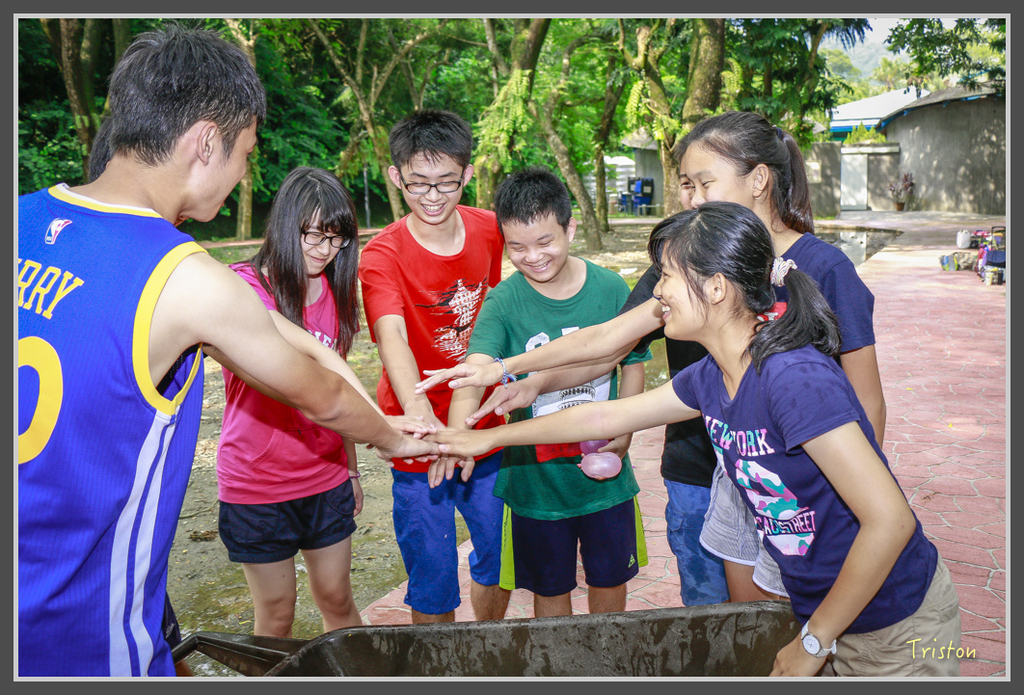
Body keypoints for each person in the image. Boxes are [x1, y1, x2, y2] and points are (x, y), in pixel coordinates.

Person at [17, 24, 436, 677]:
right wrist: (393, 437)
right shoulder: (186, 277)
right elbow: (321, 394)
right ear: (206, 141)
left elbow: (308, 346)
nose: (244, 173)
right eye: (245, 152)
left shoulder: (21, 218)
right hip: (82, 632)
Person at [430, 202, 961, 678]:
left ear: (717, 288)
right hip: (827, 611)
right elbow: (600, 417)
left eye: (667, 276)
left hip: (894, 624)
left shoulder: (793, 379)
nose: (658, 290)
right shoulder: (713, 376)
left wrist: (814, 640)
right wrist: (485, 439)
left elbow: (890, 521)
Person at [417, 111, 884, 605]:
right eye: (685, 185)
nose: (692, 198)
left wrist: (860, 496)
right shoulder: (696, 329)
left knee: (813, 605)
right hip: (721, 469)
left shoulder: (813, 294)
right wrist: (510, 373)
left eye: (704, 183)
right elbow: (606, 344)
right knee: (731, 616)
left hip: (811, 483)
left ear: (759, 180)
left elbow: (866, 404)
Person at [437, 167, 651, 618]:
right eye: (517, 247)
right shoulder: (502, 301)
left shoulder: (610, 288)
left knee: (610, 582)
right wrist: (459, 436)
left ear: (569, 229)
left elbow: (632, 362)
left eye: (544, 241)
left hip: (606, 480)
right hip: (535, 484)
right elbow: (476, 371)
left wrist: (625, 433)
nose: (533, 257)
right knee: (549, 592)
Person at [357, 109, 509, 625]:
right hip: (418, 437)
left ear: (468, 174)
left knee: (500, 559)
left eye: (447, 182)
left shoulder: (490, 229)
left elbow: (498, 314)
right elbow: (392, 338)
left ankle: (486, 650)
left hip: (484, 426)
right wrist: (427, 424)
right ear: (396, 177)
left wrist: (464, 427)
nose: (433, 196)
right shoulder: (382, 254)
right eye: (418, 183)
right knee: (432, 577)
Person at [215, 167, 372, 637]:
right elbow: (310, 363)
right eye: (313, 235)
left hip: (325, 476)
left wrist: (350, 470)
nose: (325, 250)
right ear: (286, 224)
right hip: (257, 483)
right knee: (277, 614)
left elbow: (336, 390)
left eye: (336, 238)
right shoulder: (242, 286)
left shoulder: (335, 293)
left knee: (338, 599)